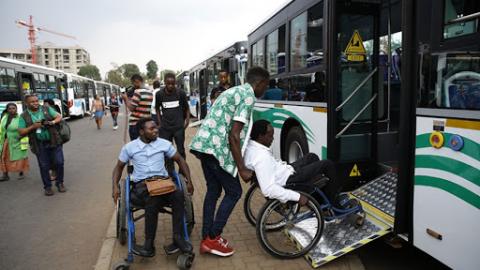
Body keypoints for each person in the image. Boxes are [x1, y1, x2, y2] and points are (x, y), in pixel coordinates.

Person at [190, 66, 269, 257]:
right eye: (265, 86)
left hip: (205, 147)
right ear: (259, 83)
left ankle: (207, 237)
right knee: (234, 192)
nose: (264, 91)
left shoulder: (234, 90)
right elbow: (234, 135)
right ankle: (213, 236)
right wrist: (242, 168)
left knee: (213, 191)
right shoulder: (248, 95)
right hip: (216, 150)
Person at [112, 118, 194, 257]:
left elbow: (180, 160)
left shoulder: (164, 144)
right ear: (141, 131)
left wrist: (189, 181)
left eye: (156, 127)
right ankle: (149, 244)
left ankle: (178, 237)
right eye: (151, 128)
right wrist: (114, 186)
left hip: (163, 183)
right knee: (153, 199)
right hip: (142, 185)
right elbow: (119, 167)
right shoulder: (130, 147)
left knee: (178, 194)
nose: (156, 130)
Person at [244, 120, 343, 205]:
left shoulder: (251, 146)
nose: (273, 139)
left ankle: (320, 199)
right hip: (289, 180)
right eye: (270, 136)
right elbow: (269, 190)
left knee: (312, 157)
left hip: (284, 171)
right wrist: (298, 197)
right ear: (261, 136)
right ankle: (335, 204)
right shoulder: (262, 157)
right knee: (327, 164)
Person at [18, 94, 65, 196]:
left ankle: (60, 183)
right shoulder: (23, 116)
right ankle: (47, 187)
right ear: (26, 103)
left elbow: (58, 116)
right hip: (39, 144)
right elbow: (21, 132)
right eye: (32, 102)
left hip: (54, 141)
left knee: (59, 162)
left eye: (36, 101)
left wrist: (52, 122)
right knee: (44, 166)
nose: (35, 103)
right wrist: (33, 126)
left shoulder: (46, 109)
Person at [155, 73, 190, 170]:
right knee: (167, 151)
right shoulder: (159, 94)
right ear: (165, 83)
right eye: (168, 84)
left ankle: (182, 172)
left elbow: (187, 108)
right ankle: (170, 172)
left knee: (181, 150)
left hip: (179, 128)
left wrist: (187, 122)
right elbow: (157, 108)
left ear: (175, 83)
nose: (170, 86)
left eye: (172, 84)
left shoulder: (181, 93)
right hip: (165, 129)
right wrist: (160, 122)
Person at [0, 103, 29, 181]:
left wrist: (21, 136)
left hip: (18, 140)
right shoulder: (4, 117)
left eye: (14, 108)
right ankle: (5, 174)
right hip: (5, 140)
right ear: (7, 109)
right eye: (10, 108)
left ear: (16, 109)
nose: (12, 110)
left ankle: (21, 171)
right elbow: (2, 129)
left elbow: (25, 129)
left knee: (19, 157)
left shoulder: (20, 118)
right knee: (4, 157)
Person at [121, 74, 153, 140]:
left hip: (135, 124)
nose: (133, 86)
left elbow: (131, 108)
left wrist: (126, 98)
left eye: (133, 83)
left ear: (136, 81)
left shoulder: (137, 92)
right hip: (146, 123)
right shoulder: (150, 92)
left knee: (136, 146)